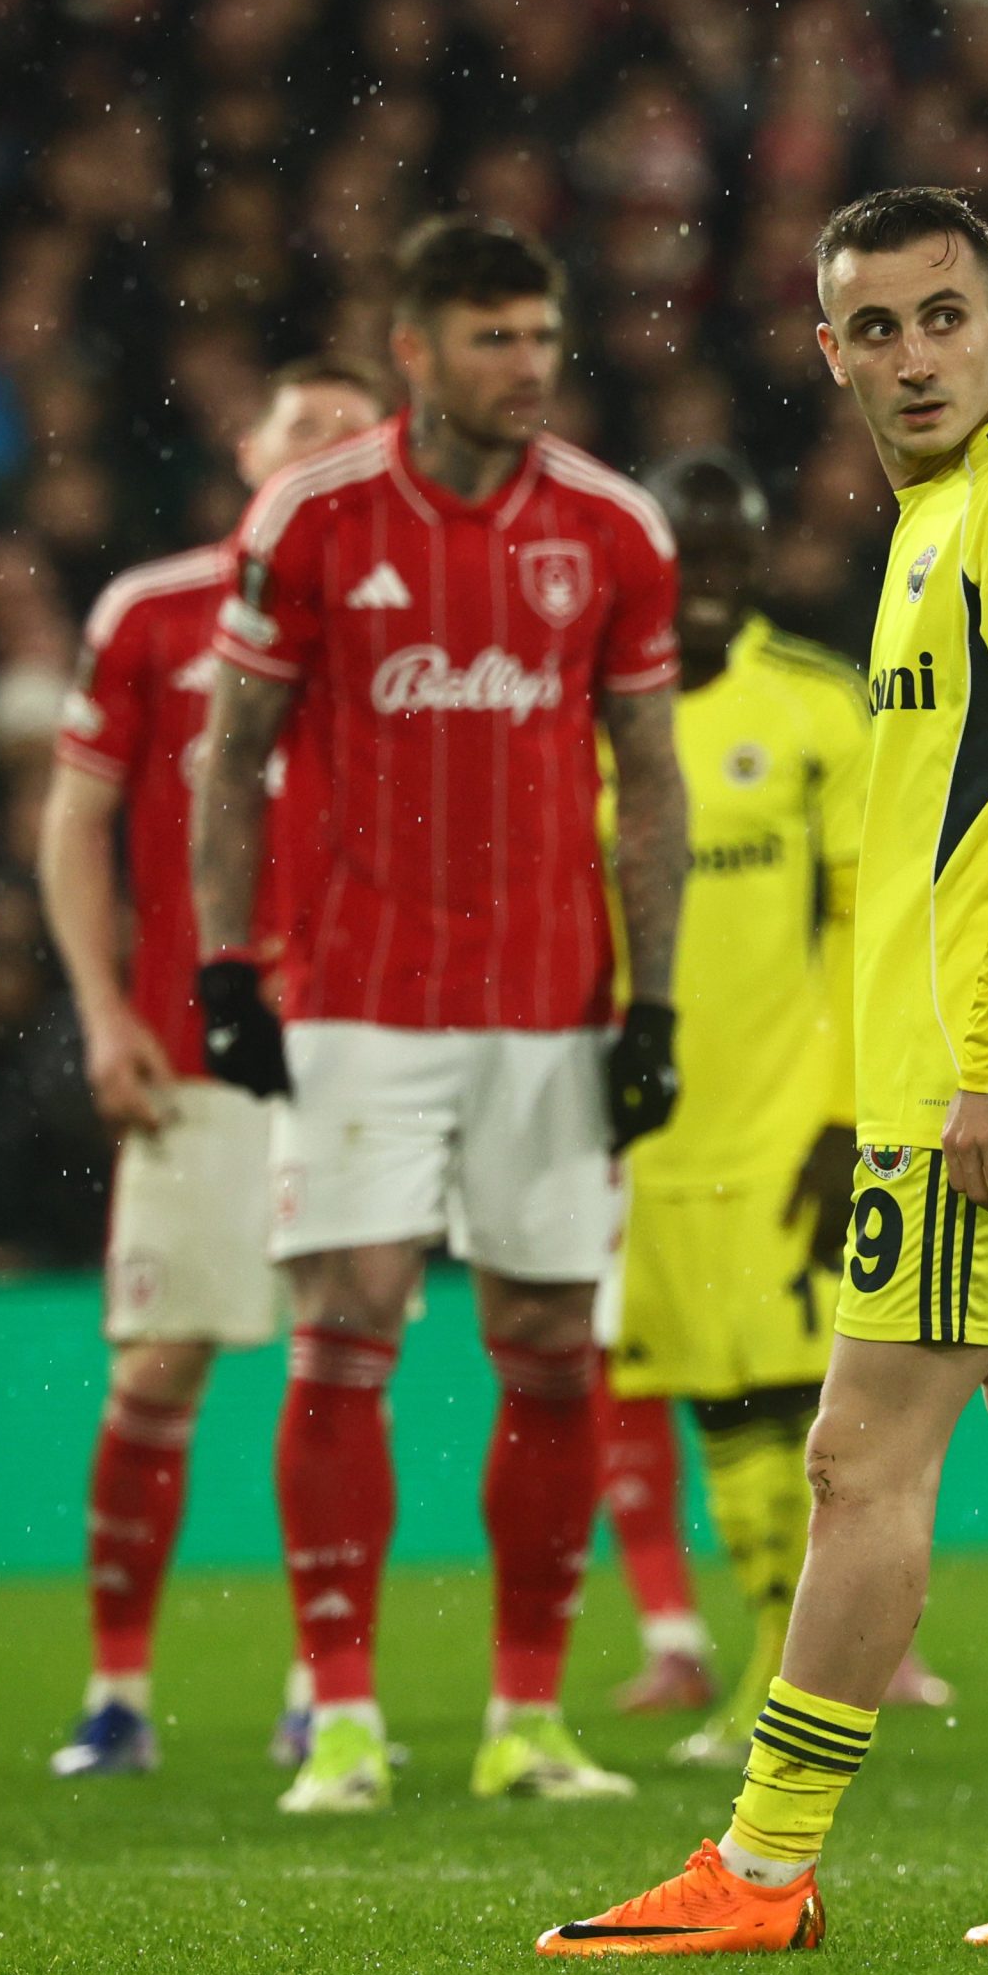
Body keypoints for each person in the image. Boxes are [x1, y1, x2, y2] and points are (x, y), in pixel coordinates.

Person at [540, 185, 988, 1958]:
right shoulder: (945, 515)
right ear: (831, 353)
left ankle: (759, 1868)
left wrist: (986, 1062)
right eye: (876, 329)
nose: (914, 356)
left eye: (942, 315)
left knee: (855, 1459)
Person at [190, 216, 688, 1813]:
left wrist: (654, 1002)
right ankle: (341, 1714)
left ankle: (525, 1720)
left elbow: (653, 781)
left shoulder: (612, 529)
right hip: (359, 1003)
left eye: (541, 336)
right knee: (349, 1318)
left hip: (552, 1007)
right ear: (413, 352)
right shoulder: (316, 519)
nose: (526, 367)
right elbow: (233, 757)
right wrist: (222, 969)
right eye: (492, 340)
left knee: (547, 1346)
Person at [39, 354, 388, 1777]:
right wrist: (104, 1012)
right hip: (192, 1053)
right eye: (297, 426)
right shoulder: (152, 611)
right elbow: (74, 823)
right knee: (162, 1369)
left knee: (335, 1364)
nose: (317, 449)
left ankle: (330, 1689)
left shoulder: (409, 619)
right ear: (247, 448)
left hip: (360, 1051)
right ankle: (119, 1692)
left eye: (349, 434)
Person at [595, 449, 948, 1770]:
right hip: (650, 1128)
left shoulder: (812, 706)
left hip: (794, 1115)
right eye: (687, 565)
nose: (706, 592)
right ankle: (768, 1669)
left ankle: (785, 1687)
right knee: (716, 1408)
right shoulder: (589, 718)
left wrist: (852, 1108)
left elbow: (872, 918)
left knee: (805, 1413)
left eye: (730, 565)